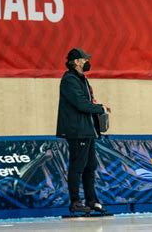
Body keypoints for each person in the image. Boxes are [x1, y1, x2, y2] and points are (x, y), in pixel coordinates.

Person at [56, 48, 111, 214]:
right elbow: (80, 103)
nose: (87, 62)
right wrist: (98, 108)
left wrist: (97, 106)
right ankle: (75, 202)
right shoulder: (69, 80)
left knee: (90, 166)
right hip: (76, 130)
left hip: (87, 129)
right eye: (85, 59)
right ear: (77, 62)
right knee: (77, 166)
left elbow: (86, 101)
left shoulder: (82, 79)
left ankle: (91, 201)